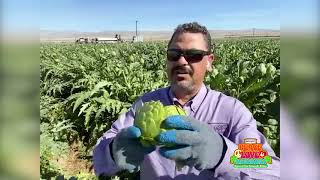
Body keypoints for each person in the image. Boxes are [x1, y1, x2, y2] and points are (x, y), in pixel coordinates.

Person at [93, 22, 280, 179]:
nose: (182, 61)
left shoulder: (232, 111)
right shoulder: (144, 105)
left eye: (193, 55)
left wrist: (223, 153)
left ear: (209, 61)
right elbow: (99, 156)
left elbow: (267, 165)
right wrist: (112, 150)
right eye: (174, 54)